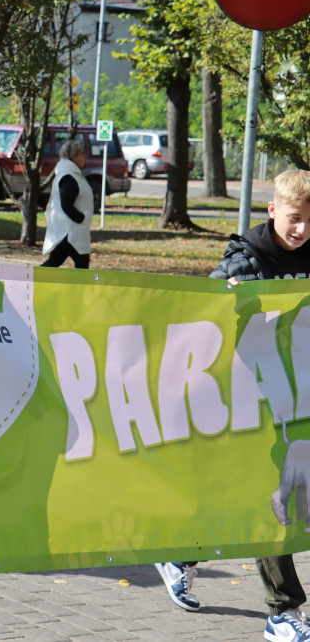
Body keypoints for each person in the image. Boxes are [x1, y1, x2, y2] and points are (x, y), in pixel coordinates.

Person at [153, 169, 310, 642]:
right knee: (272, 498)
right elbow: (204, 310)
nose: (302, 229)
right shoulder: (245, 257)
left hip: (297, 397)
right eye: (295, 218)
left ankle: (182, 553)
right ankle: (283, 611)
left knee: (243, 497)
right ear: (273, 210)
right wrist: (229, 300)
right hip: (249, 399)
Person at [41, 139, 92, 269]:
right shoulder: (69, 177)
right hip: (71, 232)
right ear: (74, 157)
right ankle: (29, 282)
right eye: (81, 153)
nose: (84, 156)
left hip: (71, 232)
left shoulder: (72, 175)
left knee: (54, 262)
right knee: (81, 266)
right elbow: (66, 205)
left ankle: (30, 282)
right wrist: (81, 218)